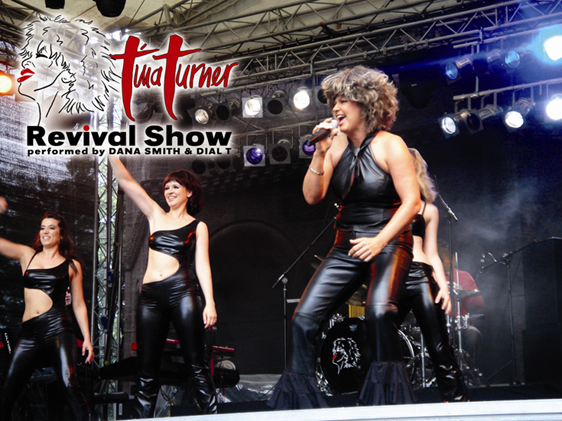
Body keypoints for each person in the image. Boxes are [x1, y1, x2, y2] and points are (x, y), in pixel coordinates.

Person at [268, 65, 421, 409]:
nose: (336, 107)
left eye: (344, 100)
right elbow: (312, 196)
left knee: (378, 313)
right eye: (333, 101)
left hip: (389, 241)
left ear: (366, 104)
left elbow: (412, 203)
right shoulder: (335, 145)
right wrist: (320, 152)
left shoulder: (390, 144)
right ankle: (302, 407)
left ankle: (388, 403)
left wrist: (379, 241)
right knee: (303, 318)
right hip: (346, 243)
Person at [108, 157, 217, 417]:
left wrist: (210, 302)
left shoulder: (198, 226)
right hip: (150, 298)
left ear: (189, 192)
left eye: (176, 186)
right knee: (146, 369)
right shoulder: (155, 214)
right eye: (167, 187)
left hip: (183, 292)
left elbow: (202, 265)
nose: (169, 191)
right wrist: (111, 154)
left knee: (196, 364)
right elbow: (127, 182)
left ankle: (214, 416)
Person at [0, 197, 93, 420]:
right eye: (42, 228)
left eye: (51, 228)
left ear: (61, 235)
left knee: (69, 383)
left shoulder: (72, 265)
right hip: (30, 332)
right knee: (7, 389)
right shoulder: (27, 255)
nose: (45, 232)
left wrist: (87, 339)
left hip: (57, 326)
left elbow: (78, 304)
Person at [398, 149, 467, 402]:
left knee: (439, 345)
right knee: (376, 340)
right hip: (391, 276)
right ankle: (379, 403)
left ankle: (457, 403)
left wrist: (444, 288)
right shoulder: (381, 205)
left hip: (420, 275)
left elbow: (433, 253)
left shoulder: (428, 209)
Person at [438, 242, 484, 365]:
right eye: (441, 256)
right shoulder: (431, 276)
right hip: (438, 328)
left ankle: (468, 371)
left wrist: (464, 293)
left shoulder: (463, 276)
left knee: (473, 334)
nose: (445, 260)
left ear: (454, 258)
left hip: (461, 326)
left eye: (447, 256)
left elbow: (479, 303)